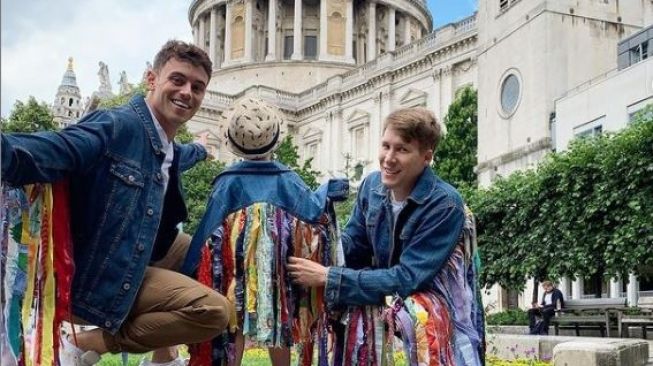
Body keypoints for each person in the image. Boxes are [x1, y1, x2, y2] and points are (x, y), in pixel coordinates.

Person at [1, 40, 232, 366]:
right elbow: (59, 148)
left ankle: (162, 357)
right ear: (151, 79)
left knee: (205, 252)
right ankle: (86, 341)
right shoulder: (117, 125)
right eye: (177, 80)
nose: (186, 93)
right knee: (213, 311)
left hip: (136, 247)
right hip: (97, 276)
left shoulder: (165, 142)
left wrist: (202, 147)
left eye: (197, 87)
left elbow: (179, 156)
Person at [287, 107, 485, 365]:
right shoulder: (371, 186)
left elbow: (408, 279)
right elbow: (353, 245)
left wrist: (329, 277)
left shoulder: (445, 205)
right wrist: (317, 238)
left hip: (432, 299)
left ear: (426, 157)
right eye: (385, 146)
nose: (388, 158)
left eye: (402, 149)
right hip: (387, 288)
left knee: (423, 315)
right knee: (347, 304)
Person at [180, 98, 347, 366]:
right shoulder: (287, 179)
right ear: (275, 140)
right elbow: (315, 213)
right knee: (279, 324)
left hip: (236, 274)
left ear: (234, 143)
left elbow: (207, 231)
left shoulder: (227, 182)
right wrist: (329, 189)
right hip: (278, 277)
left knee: (232, 325)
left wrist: (189, 267)